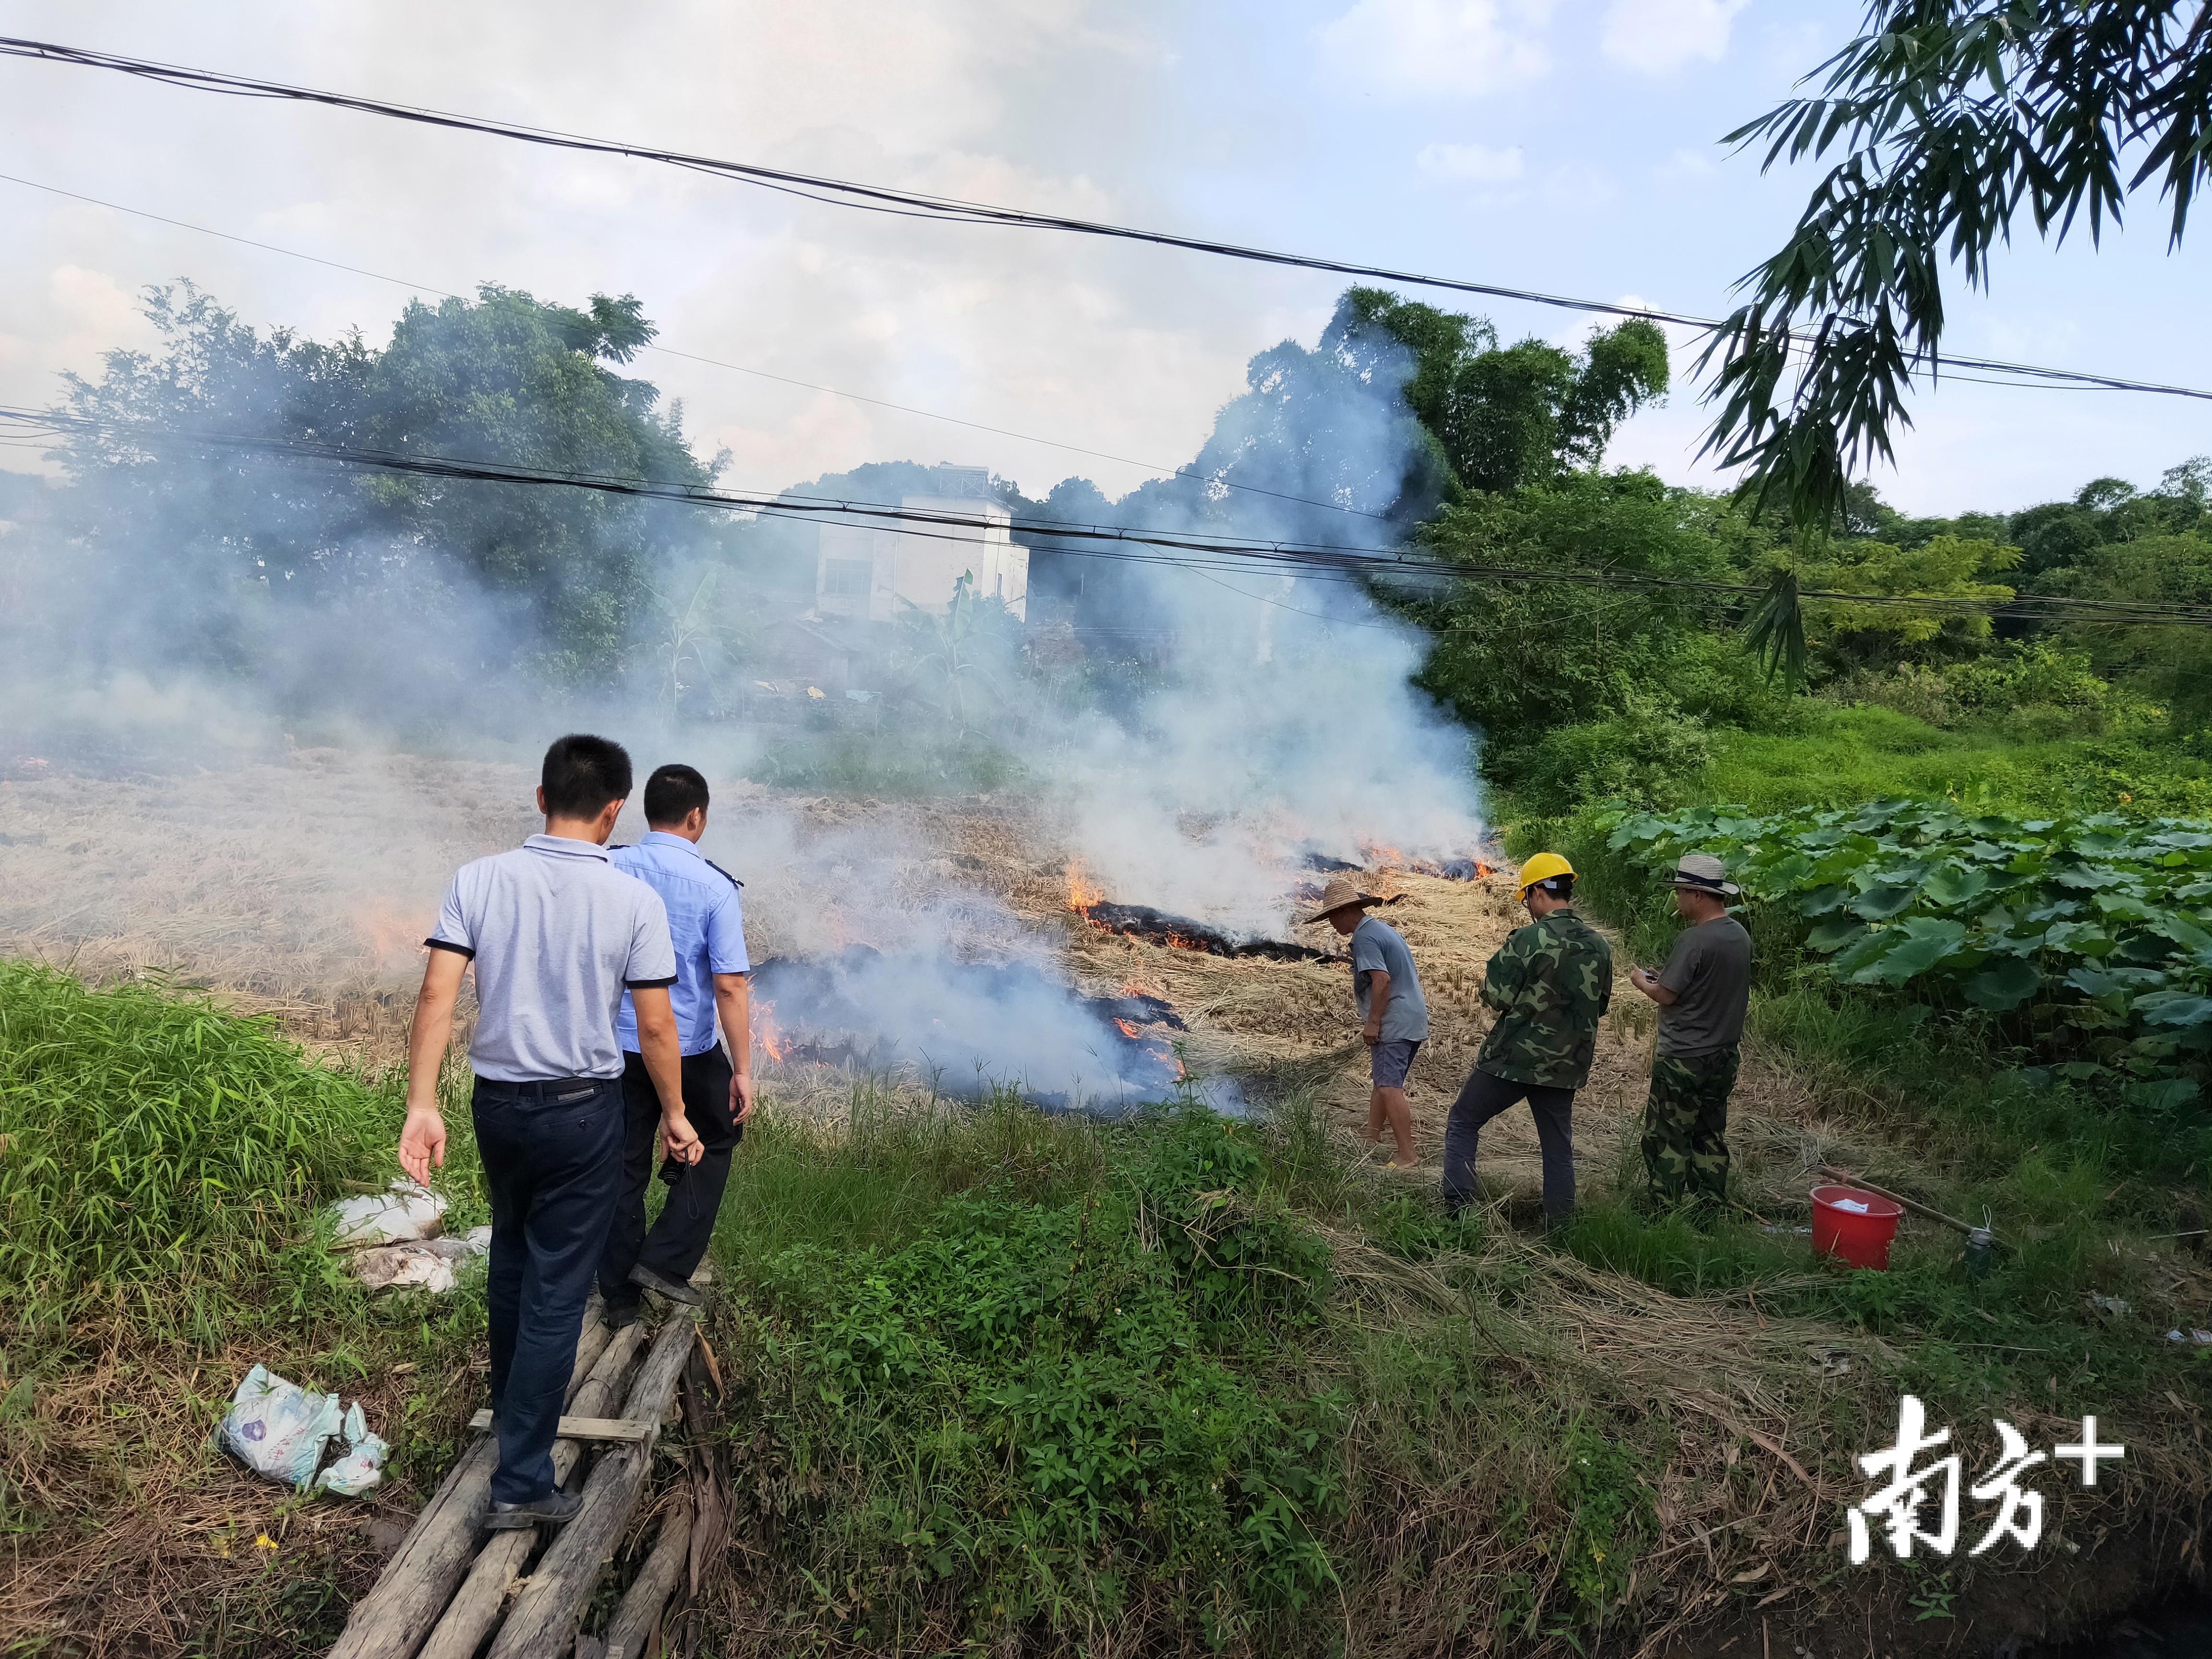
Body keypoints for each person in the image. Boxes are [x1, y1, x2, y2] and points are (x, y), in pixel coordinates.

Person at [398, 734, 702, 1533]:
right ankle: (522, 1480)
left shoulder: (478, 879)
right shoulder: (634, 900)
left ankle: (512, 1408)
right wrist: (673, 1112)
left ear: (540, 797)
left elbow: (437, 994)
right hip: (582, 1110)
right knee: (557, 1291)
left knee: (512, 1258)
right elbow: (657, 1025)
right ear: (614, 811)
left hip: (496, 1103)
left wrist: (420, 1103)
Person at [599, 763, 754, 1324]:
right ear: (697, 817)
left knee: (621, 1166)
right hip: (686, 1046)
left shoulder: (608, 866)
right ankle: (665, 1260)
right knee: (716, 1136)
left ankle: (618, 1298)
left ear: (647, 812)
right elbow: (731, 985)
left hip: (614, 1044)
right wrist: (742, 1068)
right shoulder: (714, 886)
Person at [1442, 853, 1613, 1226]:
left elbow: (1497, 996)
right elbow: (1599, 1005)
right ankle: (1561, 1228)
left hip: (1515, 1058)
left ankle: (1458, 1215)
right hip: (1567, 1063)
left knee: (1464, 1120)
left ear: (1538, 892)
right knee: (1557, 1147)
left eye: (1527, 898)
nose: (1528, 907)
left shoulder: (1528, 939)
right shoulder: (1600, 945)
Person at [1629, 853, 1754, 1206]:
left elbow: (1666, 994)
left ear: (1697, 895)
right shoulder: (1739, 936)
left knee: (1667, 1135)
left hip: (1685, 1057)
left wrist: (1641, 981)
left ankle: (1663, 1210)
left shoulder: (1695, 940)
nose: (1678, 900)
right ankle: (1709, 1205)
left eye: (1681, 892)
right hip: (1724, 1054)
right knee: (1710, 1133)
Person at [1307, 875, 1429, 1168]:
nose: (1333, 927)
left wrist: (1373, 1022)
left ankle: (1407, 1155)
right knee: (1384, 1080)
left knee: (1389, 1087)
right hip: (1411, 1018)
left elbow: (1382, 981)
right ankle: (1371, 1135)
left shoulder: (1365, 938)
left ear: (1344, 912)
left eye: (1332, 919)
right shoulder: (1380, 930)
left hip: (1395, 1021)